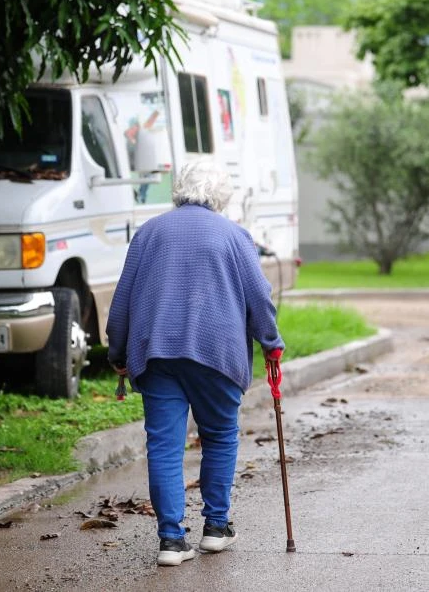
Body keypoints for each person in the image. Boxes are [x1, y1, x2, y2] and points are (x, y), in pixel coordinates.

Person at [106, 160, 285, 566]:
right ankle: (216, 528)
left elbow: (122, 302)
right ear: (221, 194)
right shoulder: (235, 236)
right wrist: (271, 343)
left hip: (157, 353)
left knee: (164, 446)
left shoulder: (148, 234)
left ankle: (171, 540)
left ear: (179, 190)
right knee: (220, 436)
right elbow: (259, 298)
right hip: (216, 353)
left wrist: (117, 353)